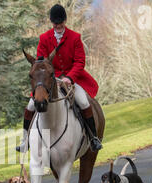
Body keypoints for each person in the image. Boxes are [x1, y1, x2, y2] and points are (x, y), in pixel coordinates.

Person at [16, 4, 102, 152]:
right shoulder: (44, 38)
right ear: (52, 22)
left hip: (72, 78)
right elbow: (40, 62)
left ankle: (93, 138)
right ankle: (25, 141)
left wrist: (70, 77)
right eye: (55, 23)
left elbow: (80, 61)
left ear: (65, 21)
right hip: (50, 80)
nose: (58, 26)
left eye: (61, 23)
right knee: (30, 106)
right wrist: (49, 77)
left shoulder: (75, 37)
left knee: (83, 101)